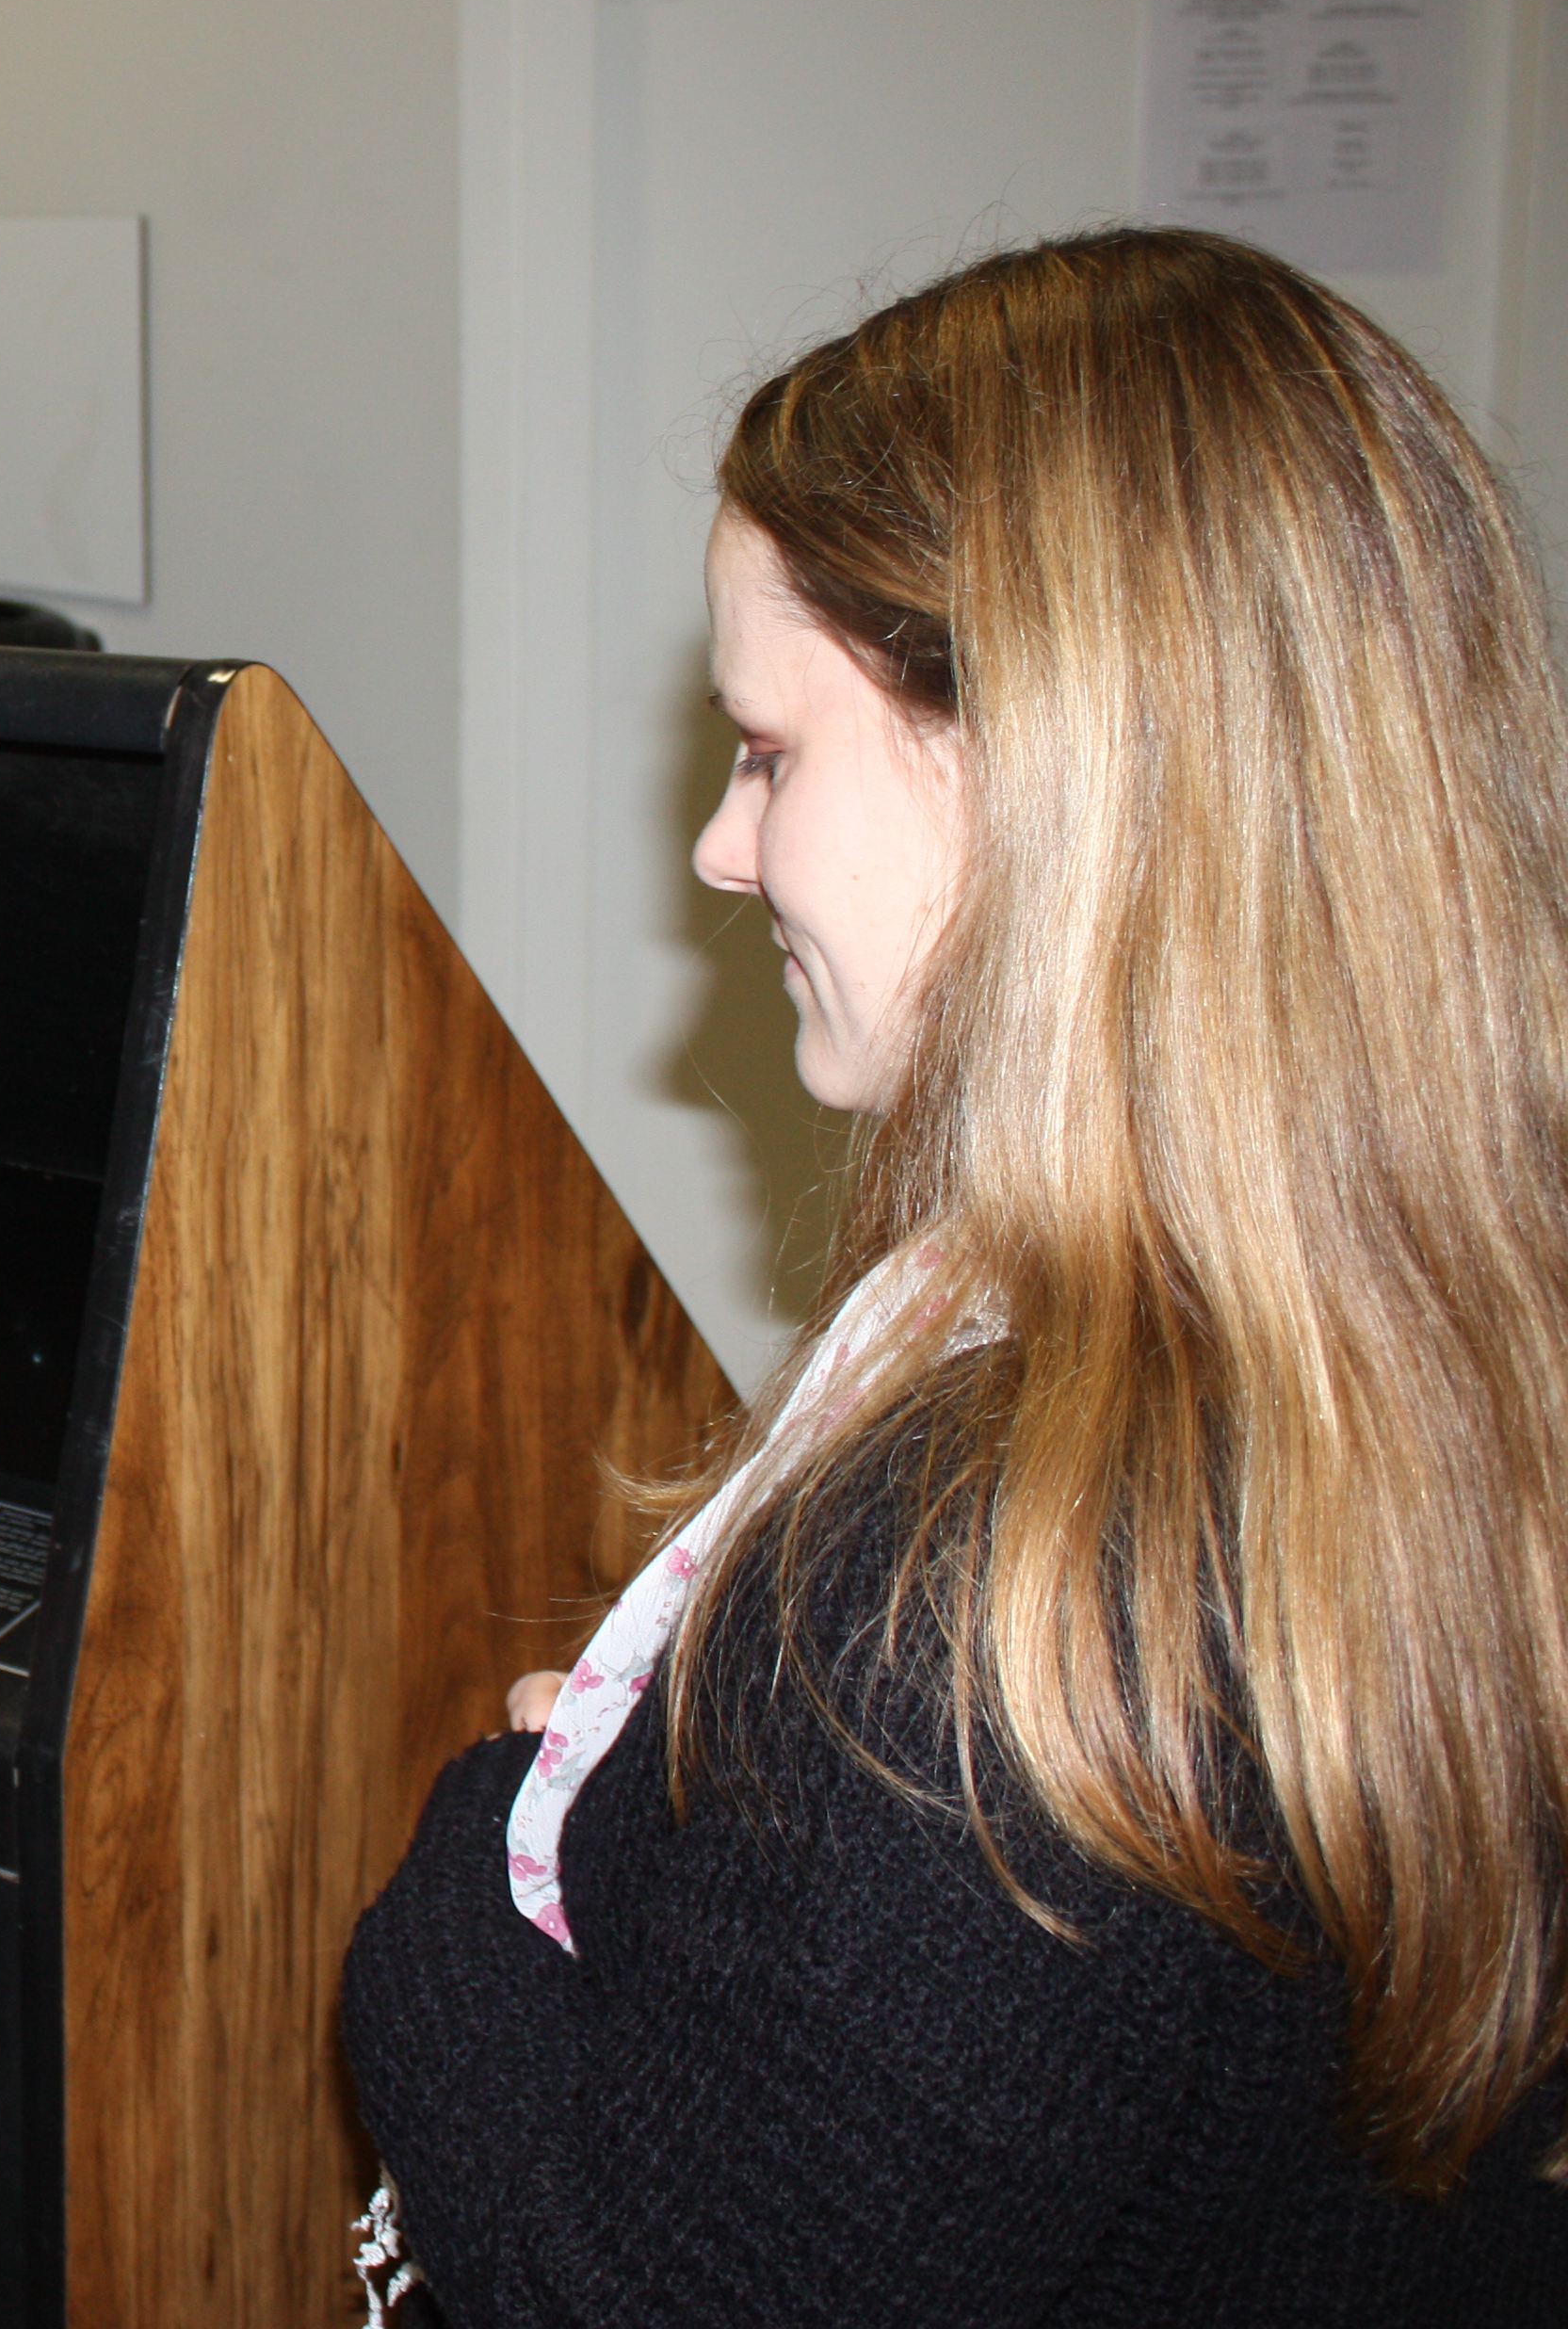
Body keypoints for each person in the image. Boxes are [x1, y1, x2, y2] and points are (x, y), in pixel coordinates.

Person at [341, 228, 1568, 2321]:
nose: (722, 847)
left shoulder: (983, 1599)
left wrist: (468, 1866)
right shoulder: (1449, 1341)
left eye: (770, 751)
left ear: (1047, 774)